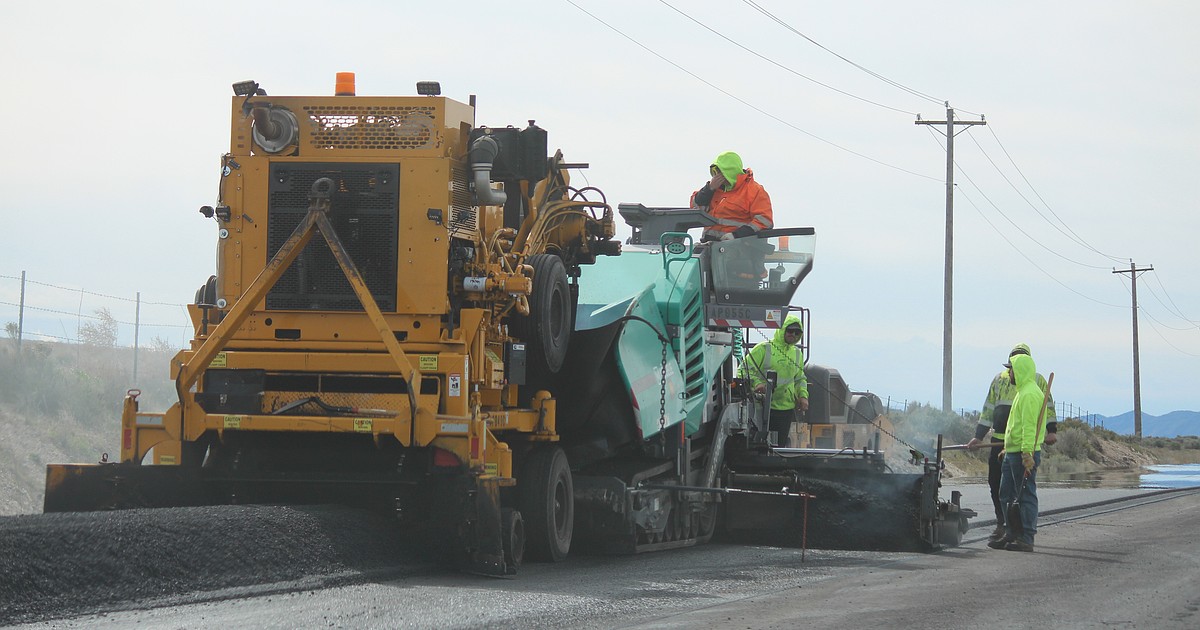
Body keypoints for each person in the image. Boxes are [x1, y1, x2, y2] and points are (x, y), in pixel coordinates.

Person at [966, 343, 1056, 542]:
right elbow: (988, 408)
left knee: (1022, 492)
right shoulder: (1000, 381)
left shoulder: (1034, 387)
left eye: (1013, 367)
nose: (1010, 371)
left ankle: (1023, 534)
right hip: (1004, 442)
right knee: (999, 487)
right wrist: (979, 436)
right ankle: (1006, 527)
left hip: (1021, 446)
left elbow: (1037, 418)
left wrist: (1050, 431)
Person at [989, 352, 1047, 551]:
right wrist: (1008, 447)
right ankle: (1011, 533)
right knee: (1006, 494)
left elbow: (1029, 427)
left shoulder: (1030, 394)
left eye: (1011, 369)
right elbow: (1015, 426)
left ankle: (1027, 538)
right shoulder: (1022, 392)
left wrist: (1026, 454)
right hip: (1012, 453)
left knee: (1026, 496)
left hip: (1023, 455)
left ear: (1019, 370)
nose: (1009, 373)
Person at [738, 314, 808, 447]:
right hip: (762, 408)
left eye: (797, 332)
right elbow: (743, 370)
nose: (793, 334)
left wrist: (803, 396)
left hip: (786, 409)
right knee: (760, 445)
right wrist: (757, 383)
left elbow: (800, 379)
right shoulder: (764, 349)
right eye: (789, 330)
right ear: (782, 330)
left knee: (779, 447)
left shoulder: (798, 354)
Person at [690, 151, 774, 242]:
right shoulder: (713, 189)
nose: (716, 176)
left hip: (739, 248)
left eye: (719, 172)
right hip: (710, 246)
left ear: (729, 172)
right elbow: (695, 209)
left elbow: (764, 221)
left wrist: (736, 235)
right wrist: (709, 189)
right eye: (714, 172)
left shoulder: (754, 191)